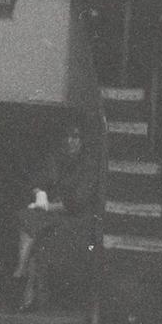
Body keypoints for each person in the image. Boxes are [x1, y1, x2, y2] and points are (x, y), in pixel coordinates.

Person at [11, 123, 99, 310]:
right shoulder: (56, 159)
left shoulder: (88, 166)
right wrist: (39, 192)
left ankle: (22, 275)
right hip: (51, 216)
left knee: (37, 232)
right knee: (27, 219)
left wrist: (46, 207)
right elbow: (37, 181)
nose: (70, 141)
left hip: (75, 219)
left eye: (75, 137)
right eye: (67, 136)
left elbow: (77, 202)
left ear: (82, 141)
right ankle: (22, 271)